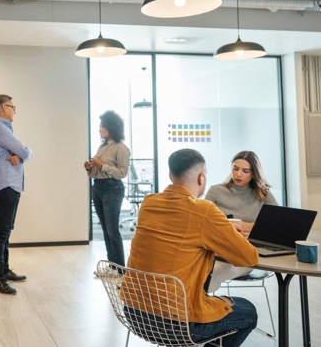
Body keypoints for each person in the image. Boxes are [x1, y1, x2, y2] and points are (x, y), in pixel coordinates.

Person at [125, 148, 259, 347]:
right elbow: (249, 258)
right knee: (247, 310)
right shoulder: (204, 211)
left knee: (214, 299)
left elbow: (177, 226)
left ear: (170, 175)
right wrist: (221, 227)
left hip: (134, 312)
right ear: (201, 177)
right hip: (174, 321)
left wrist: (220, 227)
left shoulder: (148, 203)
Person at [204, 150, 278, 292]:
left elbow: (276, 223)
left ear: (254, 173)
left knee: (214, 273)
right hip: (217, 250)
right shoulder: (216, 191)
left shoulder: (264, 193)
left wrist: (237, 224)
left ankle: (197, 306)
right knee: (206, 271)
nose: (238, 174)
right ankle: (198, 306)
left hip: (246, 254)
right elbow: (203, 221)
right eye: (235, 168)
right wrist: (251, 226)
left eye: (245, 171)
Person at [0, 94, 33, 295]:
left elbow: (20, 155)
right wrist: (24, 155)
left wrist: (21, 158)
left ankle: (4, 271)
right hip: (6, 185)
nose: (14, 111)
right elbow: (24, 150)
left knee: (5, 231)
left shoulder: (3, 129)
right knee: (2, 232)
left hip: (10, 185)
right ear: (4, 107)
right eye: (13, 107)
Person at [84, 110, 130, 274]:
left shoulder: (121, 148)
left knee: (112, 230)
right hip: (98, 187)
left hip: (113, 189)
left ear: (112, 127)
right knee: (104, 228)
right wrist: (90, 168)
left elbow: (122, 173)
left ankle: (120, 269)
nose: (100, 129)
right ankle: (112, 266)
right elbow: (97, 169)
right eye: (100, 126)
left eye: (103, 126)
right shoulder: (102, 147)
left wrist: (101, 166)